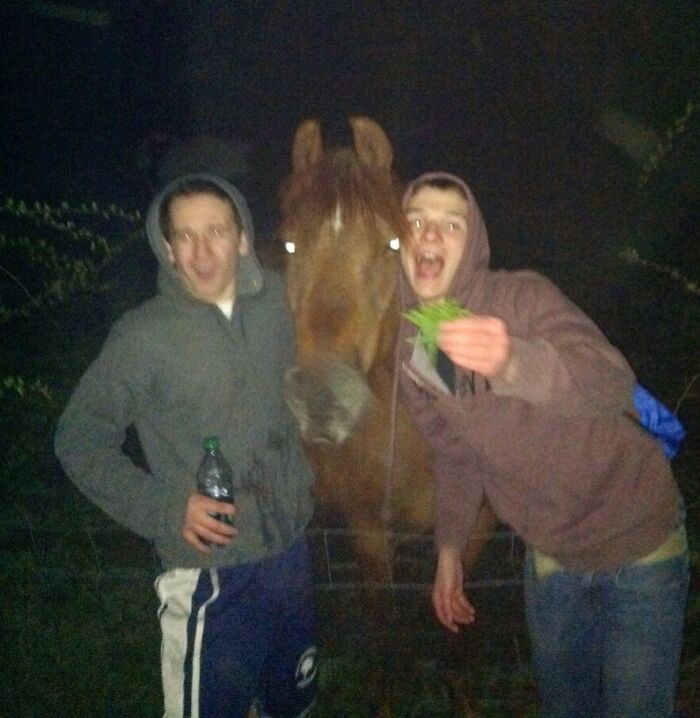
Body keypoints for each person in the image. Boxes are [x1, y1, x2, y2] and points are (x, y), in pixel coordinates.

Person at [396, 172, 689, 718]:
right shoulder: (415, 346)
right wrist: (449, 550)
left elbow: (611, 381)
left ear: (474, 241)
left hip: (642, 543)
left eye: (449, 224)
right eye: (417, 222)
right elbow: (455, 453)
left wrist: (513, 361)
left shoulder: (521, 297)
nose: (430, 236)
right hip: (553, 557)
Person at [55, 174, 318, 718]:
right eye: (186, 236)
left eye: (216, 232)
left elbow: (316, 372)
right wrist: (165, 509)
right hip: (209, 577)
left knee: (289, 709)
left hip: (290, 557)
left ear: (242, 237)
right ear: (167, 247)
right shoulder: (142, 337)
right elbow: (78, 441)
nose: (202, 252)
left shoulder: (279, 302)